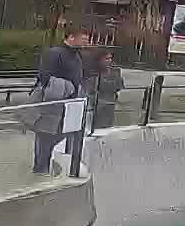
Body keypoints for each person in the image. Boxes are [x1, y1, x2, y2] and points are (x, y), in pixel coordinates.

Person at [27, 24, 89, 176]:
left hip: (69, 104)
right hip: (52, 102)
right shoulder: (54, 53)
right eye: (83, 38)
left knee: (61, 133)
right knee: (45, 135)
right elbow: (44, 76)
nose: (86, 41)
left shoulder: (77, 56)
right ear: (71, 37)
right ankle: (40, 168)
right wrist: (69, 88)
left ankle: (44, 166)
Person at [90, 49, 124, 130]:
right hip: (97, 105)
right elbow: (95, 86)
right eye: (106, 59)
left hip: (110, 104)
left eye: (110, 58)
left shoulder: (115, 71)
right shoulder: (93, 72)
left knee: (107, 127)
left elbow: (120, 85)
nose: (109, 61)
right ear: (99, 60)